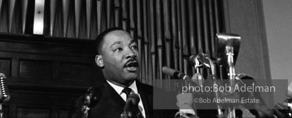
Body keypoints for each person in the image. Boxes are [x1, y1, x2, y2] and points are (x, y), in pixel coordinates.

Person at [68, 27, 196, 118]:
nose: (131, 54)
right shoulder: (88, 105)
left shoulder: (162, 97)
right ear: (100, 61)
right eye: (118, 49)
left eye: (133, 47)